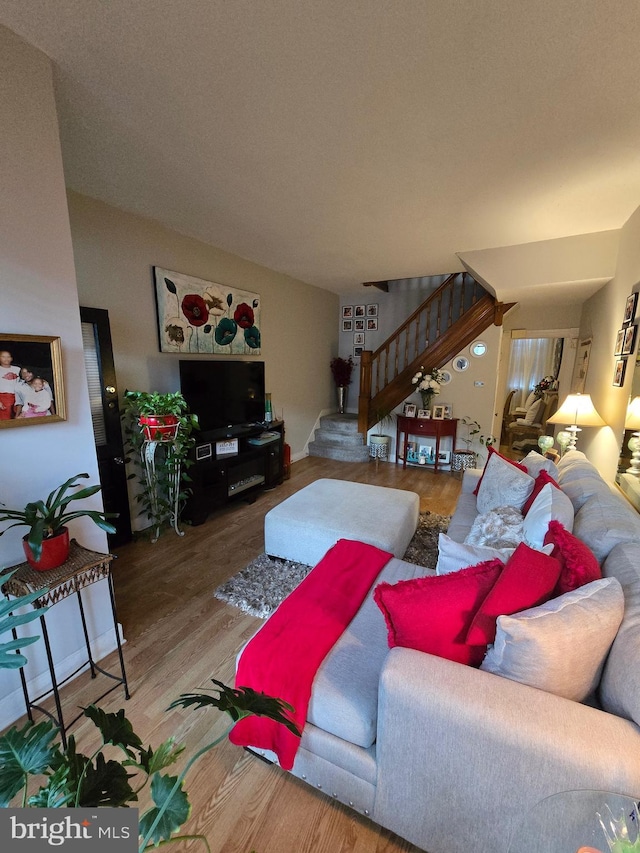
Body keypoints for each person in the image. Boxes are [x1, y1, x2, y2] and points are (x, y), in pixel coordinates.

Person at [0, 349, 20, 420]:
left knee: (17, 418)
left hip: (17, 396)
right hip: (3, 397)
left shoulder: (17, 369)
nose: (6, 359)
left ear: (11, 358)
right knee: (5, 419)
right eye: (3, 356)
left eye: (8, 357)